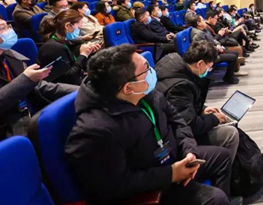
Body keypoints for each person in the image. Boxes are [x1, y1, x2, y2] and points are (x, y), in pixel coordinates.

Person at [65, 45, 238, 205]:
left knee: (222, 157)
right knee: (216, 199)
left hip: (171, 157)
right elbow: (113, 186)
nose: (152, 72)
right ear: (128, 88)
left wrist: (189, 150)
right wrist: (171, 174)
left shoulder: (147, 93)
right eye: (146, 69)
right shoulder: (96, 131)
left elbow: (177, 120)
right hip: (153, 186)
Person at [156, 41, 240, 161]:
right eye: (209, 67)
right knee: (230, 134)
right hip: (176, 138)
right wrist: (215, 119)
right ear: (200, 64)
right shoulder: (180, 87)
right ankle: (222, 167)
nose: (209, 70)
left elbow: (183, 108)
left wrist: (202, 109)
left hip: (172, 126)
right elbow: (190, 125)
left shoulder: (172, 64)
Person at [0, 17, 77, 139]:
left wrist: (79, 90)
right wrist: (25, 79)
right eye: (2, 28)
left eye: (8, 26)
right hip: (8, 128)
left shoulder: (11, 56)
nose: (9, 30)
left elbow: (38, 86)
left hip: (31, 115)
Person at [37, 10, 101, 85]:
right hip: (58, 86)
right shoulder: (54, 47)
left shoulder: (62, 41)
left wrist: (88, 52)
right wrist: (83, 55)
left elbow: (72, 64)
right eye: (78, 28)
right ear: (67, 26)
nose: (79, 31)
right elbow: (70, 77)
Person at [185, 12, 243, 83]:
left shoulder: (204, 30)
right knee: (233, 57)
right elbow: (203, 50)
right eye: (202, 20)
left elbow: (213, 39)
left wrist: (218, 45)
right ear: (198, 23)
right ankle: (228, 78)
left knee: (235, 53)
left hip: (213, 50)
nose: (204, 21)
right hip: (209, 56)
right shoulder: (198, 35)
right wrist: (216, 48)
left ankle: (230, 74)